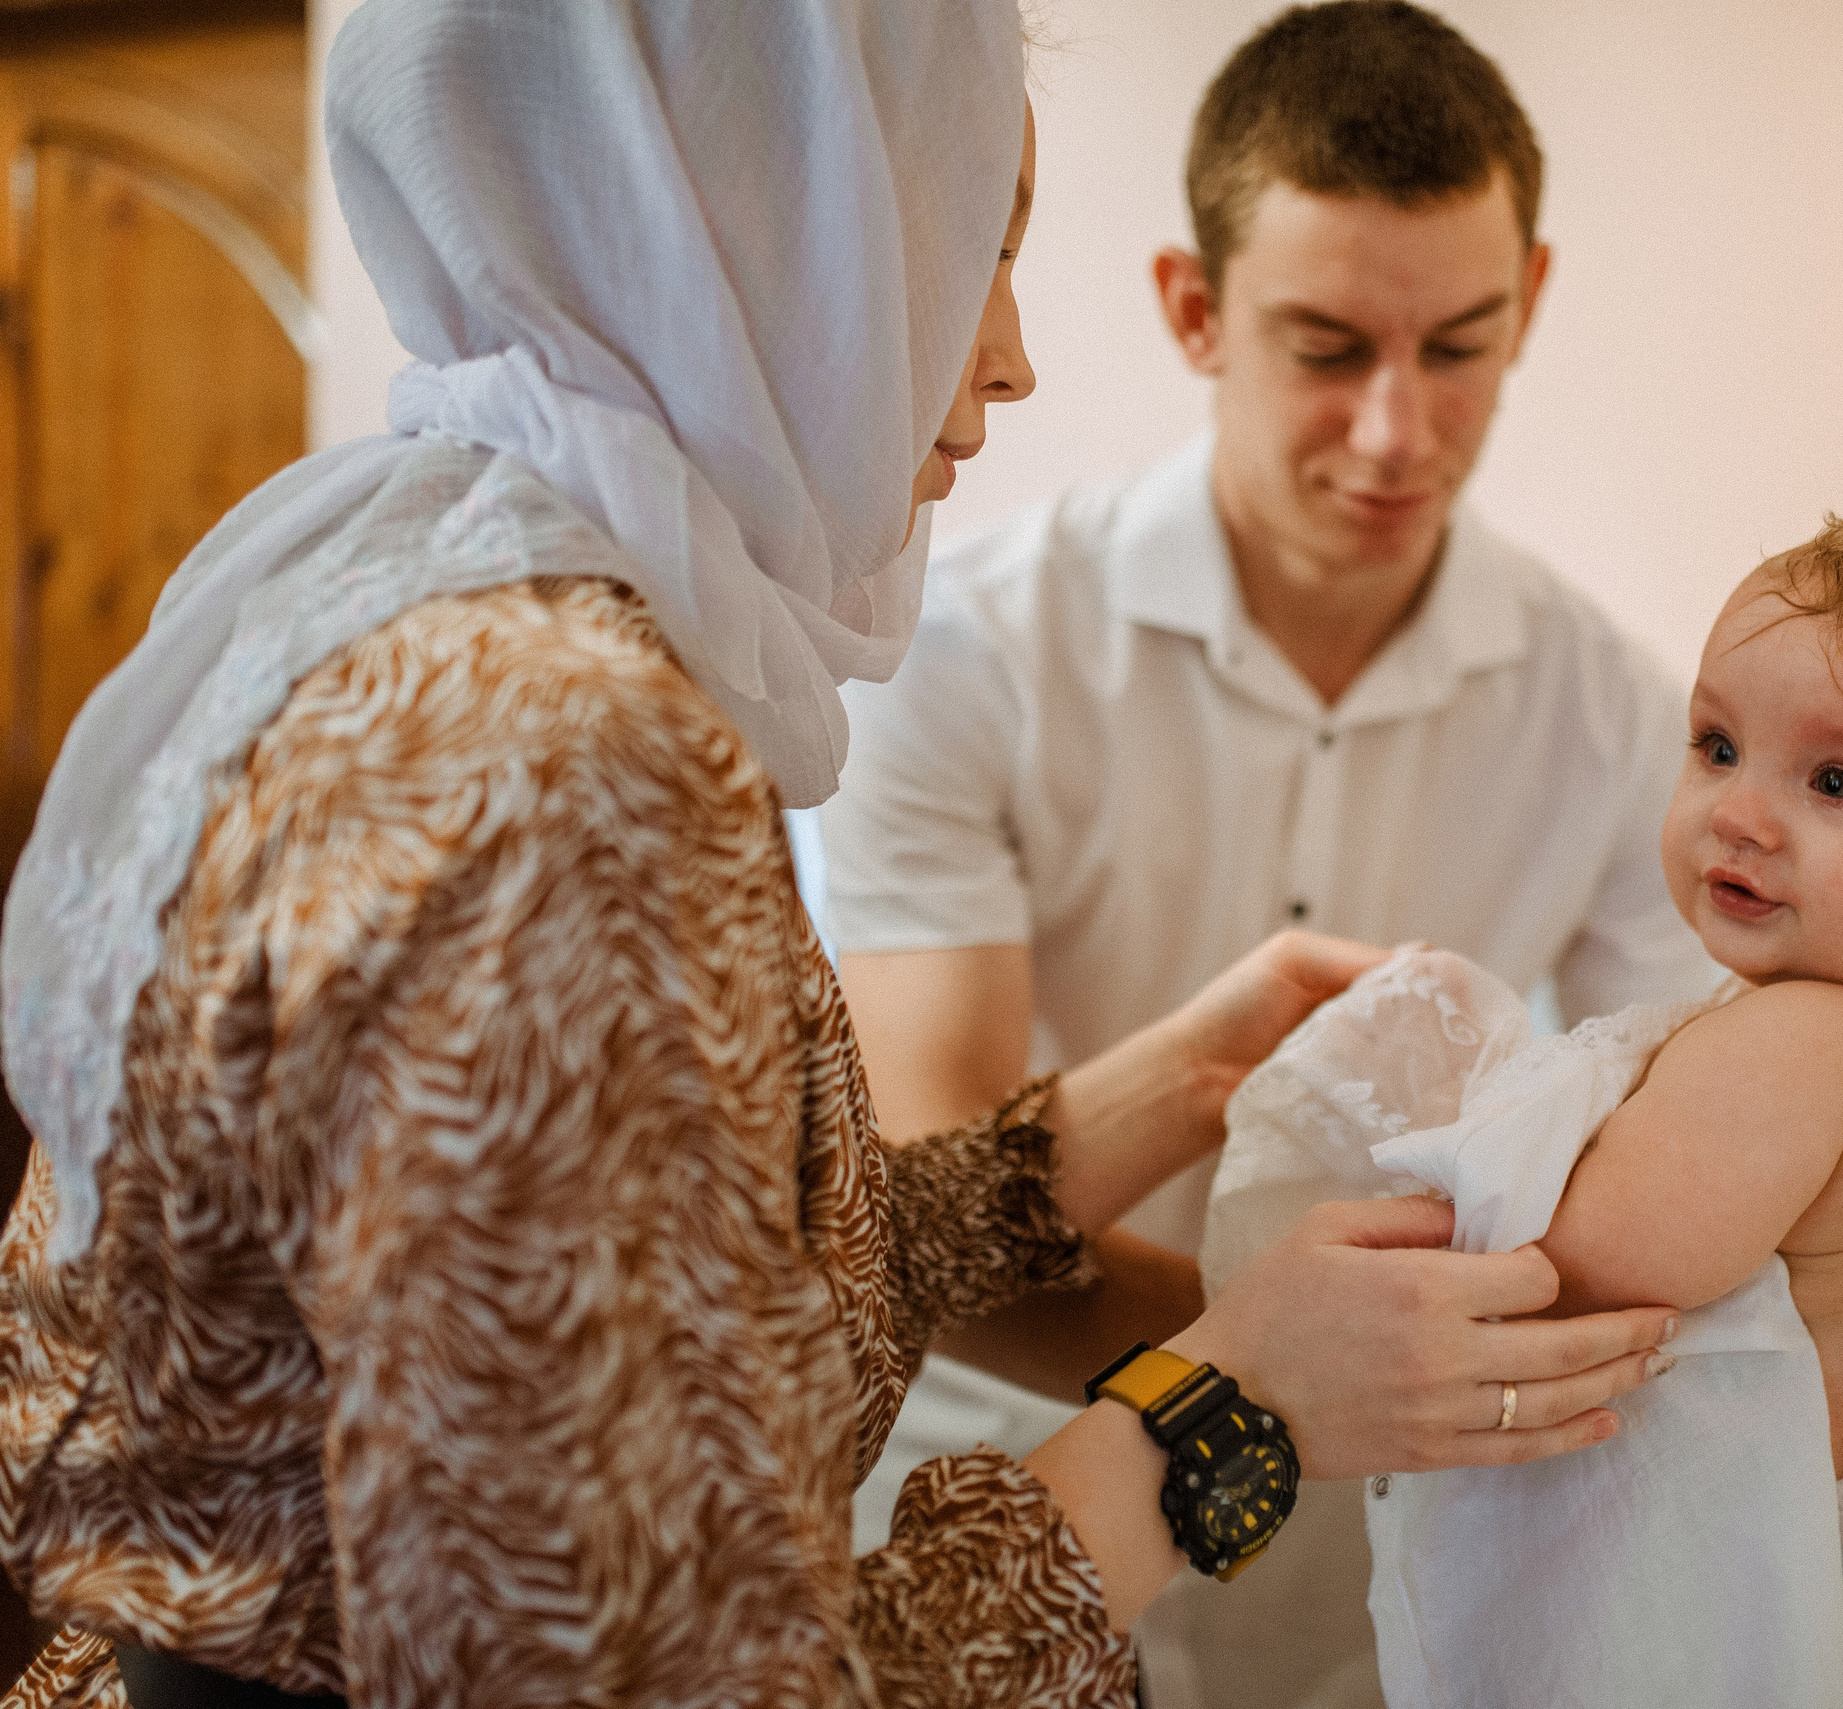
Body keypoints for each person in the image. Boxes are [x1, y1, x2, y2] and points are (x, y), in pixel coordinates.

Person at [0, 6, 1683, 1707]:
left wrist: (1148, 1097)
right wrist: (1227, 1403)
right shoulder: (575, 766)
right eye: (974, 247)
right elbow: (670, 1682)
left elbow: (694, 1272)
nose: (1013, 353)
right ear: (745, 233)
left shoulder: (429, 596)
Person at [819, 7, 1843, 1704]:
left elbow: (1746, 1163)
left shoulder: (1628, 717)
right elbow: (916, 1208)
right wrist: (1275, 1360)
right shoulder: (964, 660)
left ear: (1533, 305)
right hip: (1010, 1542)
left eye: (1457, 347)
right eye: (1327, 345)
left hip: (1408, 1581)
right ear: (1195, 311)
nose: (1393, 432)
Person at [1206, 480, 1843, 1708]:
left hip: (1736, 1604)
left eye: (1838, 784)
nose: (1739, 812)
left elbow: (1574, 1263)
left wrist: (1457, 1106)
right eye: (1716, 746)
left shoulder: (1813, 1038)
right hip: (1812, 1572)